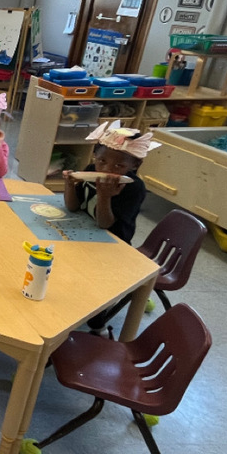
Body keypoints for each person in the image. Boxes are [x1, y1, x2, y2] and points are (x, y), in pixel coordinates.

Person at [64, 122, 158, 332]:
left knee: (95, 299)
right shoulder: (89, 171)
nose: (107, 170)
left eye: (119, 166)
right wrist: (70, 185)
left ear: (134, 166)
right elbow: (72, 207)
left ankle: (99, 324)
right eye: (102, 161)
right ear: (94, 156)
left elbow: (104, 224)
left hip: (113, 246)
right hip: (85, 234)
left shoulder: (134, 188)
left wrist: (104, 196)